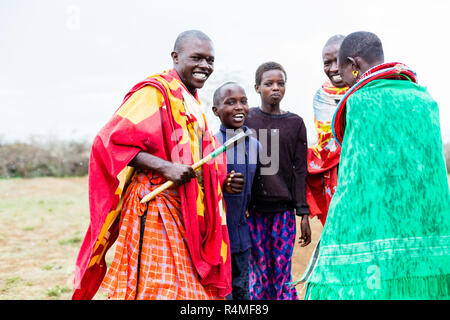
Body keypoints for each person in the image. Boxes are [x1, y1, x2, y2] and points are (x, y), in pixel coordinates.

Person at [72, 30, 233, 300]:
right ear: (175, 57)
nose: (205, 66)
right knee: (161, 288)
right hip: (154, 202)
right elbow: (111, 141)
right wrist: (165, 167)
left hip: (183, 205)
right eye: (197, 58)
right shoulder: (153, 92)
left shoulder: (190, 100)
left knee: (180, 287)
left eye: (210, 60)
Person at [304, 31, 450, 299]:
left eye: (342, 70)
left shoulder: (360, 102)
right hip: (424, 220)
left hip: (377, 219)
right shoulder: (425, 100)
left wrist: (338, 222)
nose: (343, 79)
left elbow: (355, 177)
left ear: (354, 64)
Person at [244, 61, 312, 300]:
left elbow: (300, 171)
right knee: (258, 274)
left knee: (281, 274)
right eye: (268, 83)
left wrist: (303, 212)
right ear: (256, 87)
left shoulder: (295, 123)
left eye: (280, 83)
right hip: (252, 212)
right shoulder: (246, 120)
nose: (275, 88)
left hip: (283, 213)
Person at [212, 82, 260, 300]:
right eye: (230, 102)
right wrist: (222, 184)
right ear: (216, 110)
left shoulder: (256, 146)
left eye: (243, 101)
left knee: (243, 292)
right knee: (223, 294)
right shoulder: (210, 145)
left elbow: (253, 191)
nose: (239, 107)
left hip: (242, 239)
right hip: (217, 240)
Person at [306, 35, 349, 226]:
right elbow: (328, 142)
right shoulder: (321, 97)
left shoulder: (368, 91)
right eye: (327, 62)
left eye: (338, 61)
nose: (333, 68)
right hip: (334, 174)